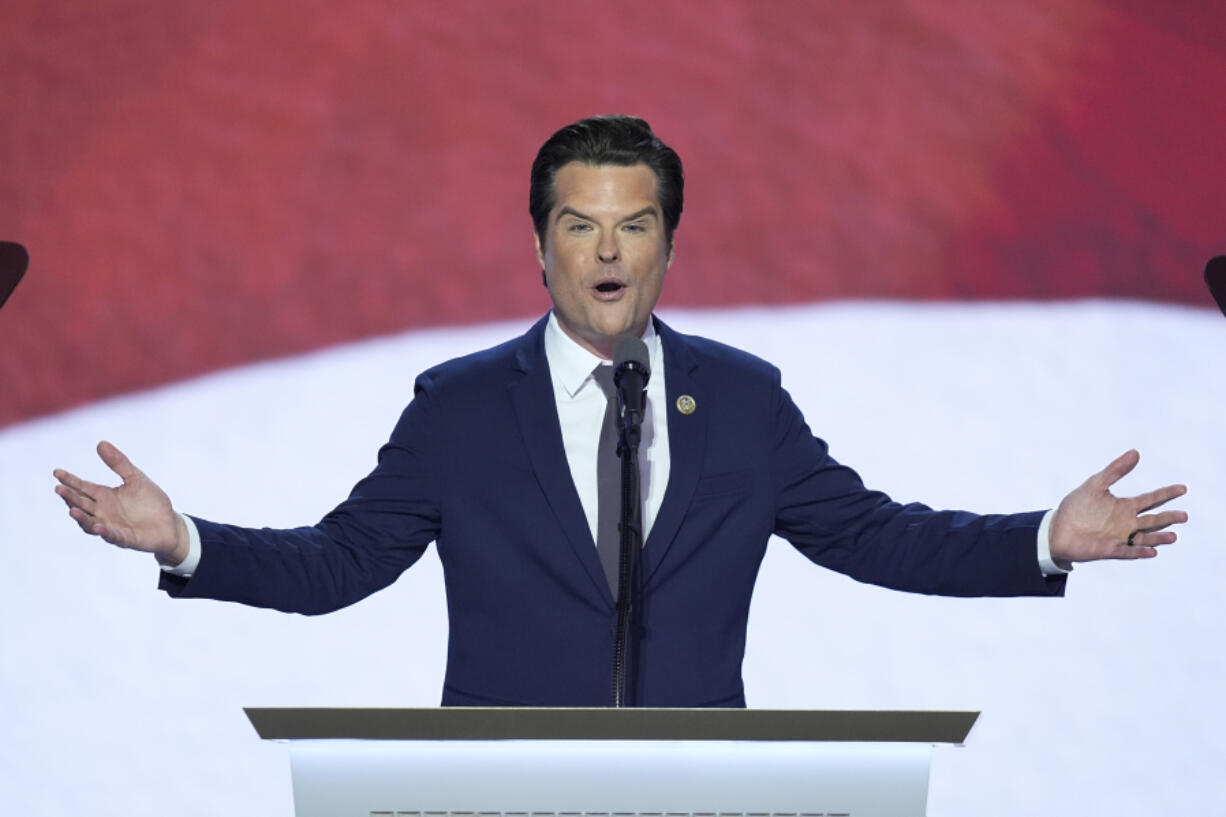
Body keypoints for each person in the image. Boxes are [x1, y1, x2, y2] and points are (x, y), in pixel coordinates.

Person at [53, 115, 1187, 707]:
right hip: (493, 794)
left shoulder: (741, 402)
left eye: (632, 224)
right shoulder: (454, 411)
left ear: (668, 245)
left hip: (703, 790)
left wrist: (1043, 537)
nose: (605, 250)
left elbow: (872, 534)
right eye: (578, 225)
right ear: (538, 248)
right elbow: (338, 564)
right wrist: (184, 539)